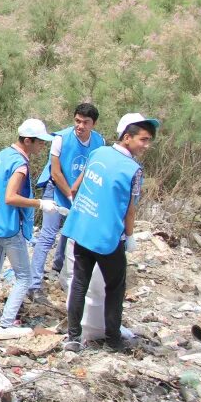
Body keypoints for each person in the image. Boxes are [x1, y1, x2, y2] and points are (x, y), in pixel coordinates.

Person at [62, 113, 157, 352]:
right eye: (143, 140)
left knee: (79, 284)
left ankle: (73, 338)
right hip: (108, 238)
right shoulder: (133, 170)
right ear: (127, 137)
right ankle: (113, 340)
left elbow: (76, 187)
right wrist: (130, 236)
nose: (147, 146)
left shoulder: (98, 152)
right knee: (115, 288)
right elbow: (130, 209)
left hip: (83, 231)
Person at [0, 119, 58, 327]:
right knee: (24, 278)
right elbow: (10, 197)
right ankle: (6, 324)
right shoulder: (19, 164)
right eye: (40, 142)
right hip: (9, 229)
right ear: (28, 141)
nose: (43, 146)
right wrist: (40, 203)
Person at [30, 103, 105, 302]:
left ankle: (60, 270)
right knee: (48, 235)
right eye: (77, 121)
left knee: (71, 233)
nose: (80, 126)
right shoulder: (61, 138)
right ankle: (34, 284)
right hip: (56, 189)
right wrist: (70, 195)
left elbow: (92, 169)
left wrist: (79, 194)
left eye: (85, 122)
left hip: (80, 193)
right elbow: (55, 172)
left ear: (93, 124)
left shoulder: (99, 142)